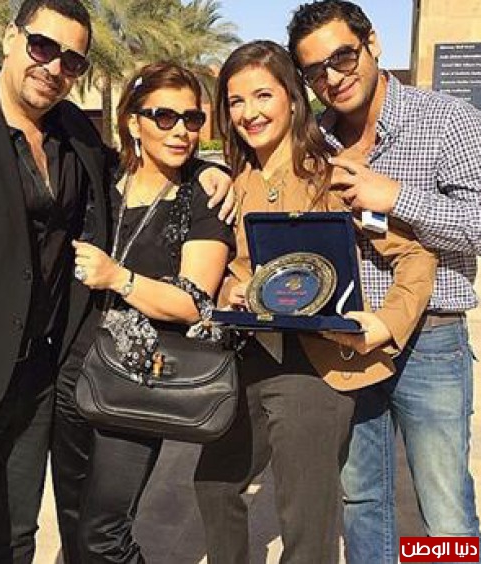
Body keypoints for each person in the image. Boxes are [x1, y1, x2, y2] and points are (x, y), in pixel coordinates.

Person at [0, 1, 230, 561]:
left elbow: (146, 166)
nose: (54, 67)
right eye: (43, 46)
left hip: (40, 383)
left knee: (16, 538)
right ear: (11, 38)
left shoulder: (74, 132)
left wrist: (210, 170)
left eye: (72, 60)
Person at [192, 40, 437, 564]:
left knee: (305, 522)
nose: (249, 112)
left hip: (315, 369)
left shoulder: (336, 178)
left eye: (263, 95)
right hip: (248, 360)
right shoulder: (232, 182)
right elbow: (233, 266)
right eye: (236, 101)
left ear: (292, 97)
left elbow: (415, 257)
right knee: (214, 483)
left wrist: (384, 324)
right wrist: (231, 287)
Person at [287, 1, 481, 562]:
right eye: (315, 71)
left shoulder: (446, 118)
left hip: (431, 339)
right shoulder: (315, 139)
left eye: (342, 57)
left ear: (371, 44)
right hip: (346, 341)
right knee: (362, 497)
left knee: (444, 503)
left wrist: (397, 197)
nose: (332, 77)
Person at [51, 62, 234, 563]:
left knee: (104, 535)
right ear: (133, 121)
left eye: (192, 119)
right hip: (71, 368)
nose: (181, 131)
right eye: (164, 117)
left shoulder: (202, 196)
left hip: (139, 377)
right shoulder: (99, 177)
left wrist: (119, 278)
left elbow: (194, 302)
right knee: (73, 525)